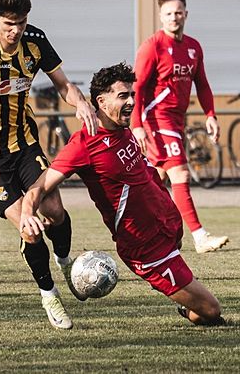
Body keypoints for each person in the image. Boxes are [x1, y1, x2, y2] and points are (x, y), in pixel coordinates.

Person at [20, 62, 224, 326]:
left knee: (203, 300)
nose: (131, 102)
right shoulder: (83, 145)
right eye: (123, 96)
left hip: (167, 228)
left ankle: (186, 297)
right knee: (211, 310)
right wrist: (27, 212)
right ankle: (187, 307)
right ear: (101, 102)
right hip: (145, 249)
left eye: (132, 95)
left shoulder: (124, 130)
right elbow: (39, 186)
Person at [0, 0, 99, 330]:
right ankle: (49, 294)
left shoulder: (35, 40)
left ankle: (65, 262)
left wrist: (80, 103)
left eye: (20, 23)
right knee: (29, 227)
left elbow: (63, 84)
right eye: (8, 24)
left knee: (54, 210)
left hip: (25, 144)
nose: (15, 31)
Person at [131, 0, 229, 254]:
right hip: (156, 118)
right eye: (168, 13)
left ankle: (148, 233)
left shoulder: (193, 47)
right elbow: (137, 88)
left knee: (156, 181)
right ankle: (200, 237)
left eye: (178, 12)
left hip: (176, 121)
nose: (173, 17)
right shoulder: (152, 46)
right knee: (180, 174)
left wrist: (210, 115)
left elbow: (202, 84)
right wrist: (136, 125)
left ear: (186, 14)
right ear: (161, 16)